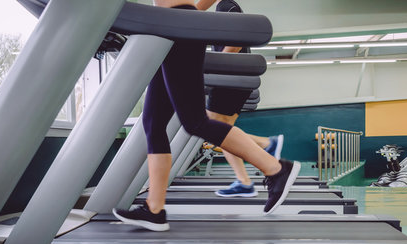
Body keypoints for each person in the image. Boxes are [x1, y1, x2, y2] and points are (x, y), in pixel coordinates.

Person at [113, 0, 300, 231]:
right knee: (153, 123)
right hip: (164, 27)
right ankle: (154, 209)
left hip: (177, 24)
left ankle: (276, 168)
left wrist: (191, 19)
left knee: (195, 121)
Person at [200, 0, 284, 198]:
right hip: (234, 79)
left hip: (229, 78)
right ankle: (244, 180)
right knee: (222, 131)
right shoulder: (225, 7)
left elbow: (238, 39)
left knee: (215, 129)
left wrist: (217, 65)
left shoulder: (225, 6)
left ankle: (266, 145)